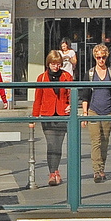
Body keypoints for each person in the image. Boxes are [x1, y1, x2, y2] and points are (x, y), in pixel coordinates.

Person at [32, 51, 72, 186]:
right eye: (53, 64)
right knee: (51, 144)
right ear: (48, 63)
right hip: (47, 114)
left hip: (62, 114)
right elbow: (37, 99)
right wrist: (34, 117)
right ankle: (52, 173)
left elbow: (71, 94)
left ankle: (56, 171)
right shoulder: (42, 78)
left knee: (58, 145)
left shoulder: (67, 76)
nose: (56, 66)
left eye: (58, 64)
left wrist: (70, 105)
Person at [83, 43, 111, 183]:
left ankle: (102, 168)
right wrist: (85, 113)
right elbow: (85, 95)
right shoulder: (90, 73)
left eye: (103, 57)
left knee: (105, 142)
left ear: (107, 57)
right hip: (93, 110)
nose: (101, 60)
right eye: (98, 57)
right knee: (96, 141)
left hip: (108, 110)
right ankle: (97, 170)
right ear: (95, 58)